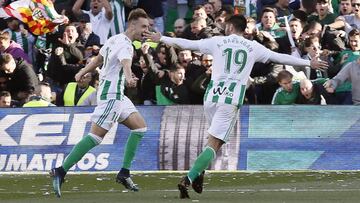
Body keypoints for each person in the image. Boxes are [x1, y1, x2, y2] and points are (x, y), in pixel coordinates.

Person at [145, 14, 328, 199]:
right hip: (230, 99)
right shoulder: (253, 47)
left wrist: (162, 38)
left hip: (211, 96)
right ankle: (189, 178)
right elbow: (279, 57)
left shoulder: (218, 41)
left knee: (211, 140)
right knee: (216, 144)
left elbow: (187, 44)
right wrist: (307, 62)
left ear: (231, 28)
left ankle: (200, 174)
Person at [50, 8, 149, 197]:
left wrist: (81, 72)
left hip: (118, 95)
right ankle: (61, 170)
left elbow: (99, 59)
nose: (146, 30)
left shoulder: (114, 39)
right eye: (143, 26)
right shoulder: (126, 45)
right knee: (96, 137)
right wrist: (129, 77)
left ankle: (124, 173)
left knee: (140, 128)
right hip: (111, 96)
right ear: (132, 25)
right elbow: (126, 62)